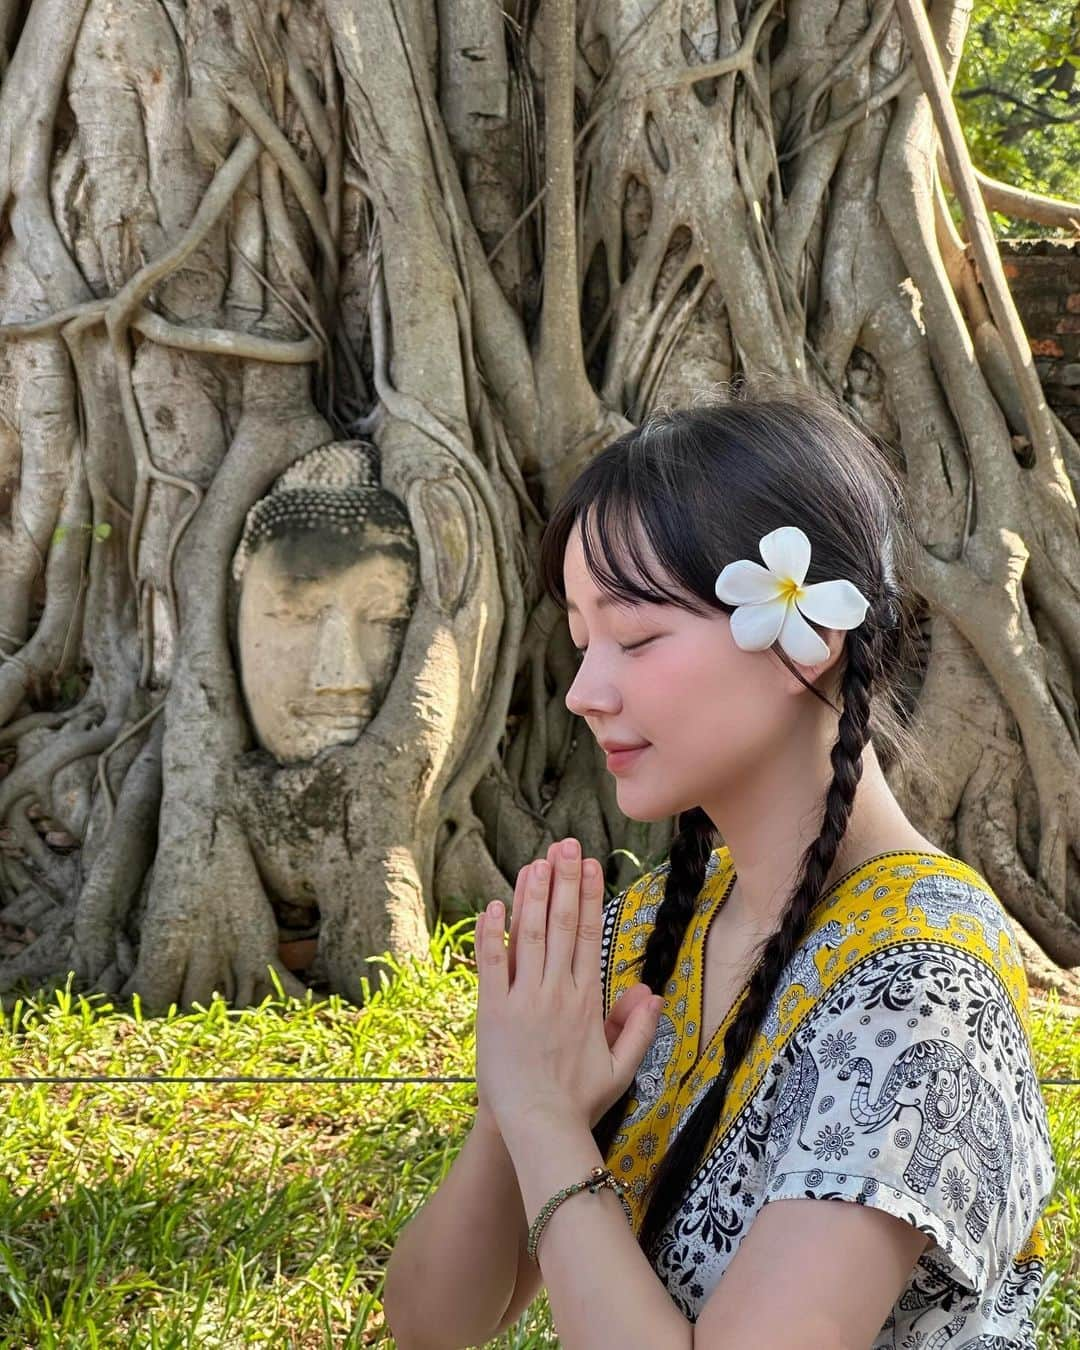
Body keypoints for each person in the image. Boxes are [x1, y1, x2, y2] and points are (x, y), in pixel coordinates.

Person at [383, 395, 1055, 1349]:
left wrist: (545, 1122)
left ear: (805, 637)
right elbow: (431, 1325)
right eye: (582, 642)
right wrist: (516, 1097)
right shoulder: (658, 929)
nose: (583, 692)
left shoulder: (925, 987)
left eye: (638, 638)